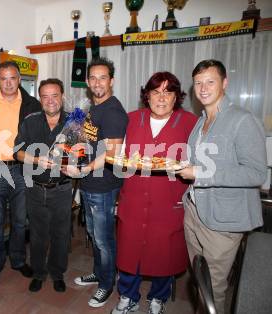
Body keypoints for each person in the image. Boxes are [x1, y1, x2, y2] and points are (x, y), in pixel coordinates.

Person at [177, 59, 267, 314]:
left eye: (210, 81)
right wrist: (185, 165)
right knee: (199, 279)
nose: (203, 88)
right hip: (195, 212)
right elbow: (202, 162)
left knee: (213, 288)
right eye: (198, 83)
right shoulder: (201, 120)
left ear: (224, 83)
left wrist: (199, 172)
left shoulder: (243, 120)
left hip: (223, 221)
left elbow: (256, 172)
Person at [111, 72, 197, 314]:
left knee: (164, 252)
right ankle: (128, 296)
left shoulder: (190, 122)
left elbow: (199, 161)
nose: (161, 98)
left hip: (168, 203)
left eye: (168, 92)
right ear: (146, 95)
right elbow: (116, 154)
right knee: (129, 250)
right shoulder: (129, 119)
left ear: (176, 97)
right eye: (155, 92)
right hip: (134, 199)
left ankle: (158, 297)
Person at [66, 57, 128, 308]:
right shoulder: (91, 106)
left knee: (103, 238)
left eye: (103, 77)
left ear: (111, 81)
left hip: (103, 184)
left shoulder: (113, 110)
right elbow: (75, 132)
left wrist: (84, 170)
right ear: (88, 82)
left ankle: (106, 283)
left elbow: (112, 153)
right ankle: (99, 272)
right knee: (92, 233)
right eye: (93, 78)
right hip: (89, 183)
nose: (97, 82)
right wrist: (71, 147)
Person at [0, 61, 41, 289]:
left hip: (21, 169)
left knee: (20, 221)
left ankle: (17, 260)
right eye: (3, 78)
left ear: (19, 78)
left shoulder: (33, 104)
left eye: (12, 78)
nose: (8, 83)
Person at [14, 78, 72, 293]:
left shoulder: (74, 123)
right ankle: (39, 272)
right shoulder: (30, 121)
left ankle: (57, 273)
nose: (50, 101)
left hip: (63, 188)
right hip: (35, 189)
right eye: (45, 96)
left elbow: (82, 153)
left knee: (60, 234)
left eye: (54, 95)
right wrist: (36, 160)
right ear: (40, 99)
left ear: (62, 96)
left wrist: (74, 162)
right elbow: (17, 153)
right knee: (38, 235)